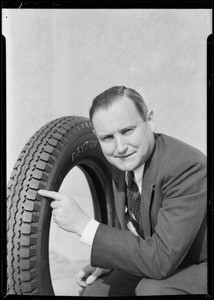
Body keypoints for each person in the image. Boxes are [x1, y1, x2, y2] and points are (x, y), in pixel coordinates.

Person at [38, 86, 207, 296]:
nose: (120, 147)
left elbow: (161, 260)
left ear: (150, 120)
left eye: (127, 131)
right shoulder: (120, 165)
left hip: (199, 264)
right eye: (107, 138)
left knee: (152, 291)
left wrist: (85, 226)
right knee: (95, 291)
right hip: (161, 259)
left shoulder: (187, 167)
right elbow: (136, 231)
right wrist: (111, 261)